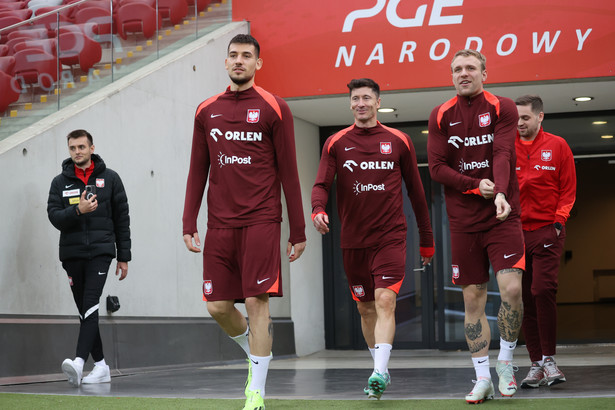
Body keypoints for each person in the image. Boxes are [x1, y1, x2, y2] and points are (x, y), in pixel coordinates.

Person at [182, 34, 306, 410]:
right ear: (225, 63)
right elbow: (196, 171)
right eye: (233, 55)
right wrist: (189, 221)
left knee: (256, 301)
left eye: (246, 56)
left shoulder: (274, 106)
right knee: (217, 306)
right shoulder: (206, 110)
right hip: (219, 224)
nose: (239, 61)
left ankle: (257, 390)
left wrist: (297, 229)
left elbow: (289, 172)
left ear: (258, 63)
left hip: (262, 220)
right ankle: (255, 353)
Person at [312, 78, 434, 400]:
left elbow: (417, 195)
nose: (361, 103)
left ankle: (378, 372)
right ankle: (380, 366)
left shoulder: (399, 141)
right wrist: (317, 210)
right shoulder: (336, 142)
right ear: (351, 103)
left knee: (384, 300)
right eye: (356, 99)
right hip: (352, 241)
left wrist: (427, 240)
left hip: (391, 237)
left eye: (367, 98)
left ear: (378, 102)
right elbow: (321, 184)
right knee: (366, 308)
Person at [427, 49, 525, 404]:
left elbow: (503, 152)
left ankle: (506, 363)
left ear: (485, 72)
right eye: (457, 69)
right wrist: (472, 184)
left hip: (502, 215)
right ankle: (482, 377)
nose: (463, 74)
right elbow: (436, 168)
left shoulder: (503, 107)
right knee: (472, 299)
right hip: (463, 220)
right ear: (451, 75)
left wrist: (499, 192)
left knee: (512, 289)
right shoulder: (440, 114)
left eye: (470, 68)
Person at [47, 129, 131, 387]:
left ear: (92, 148)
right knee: (85, 310)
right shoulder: (60, 182)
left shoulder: (111, 178)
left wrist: (123, 256)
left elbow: (122, 219)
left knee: (91, 302)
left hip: (101, 252)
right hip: (72, 254)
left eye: (81, 147)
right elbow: (55, 217)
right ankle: (102, 365)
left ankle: (80, 361)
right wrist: (78, 211)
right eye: (72, 148)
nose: (77, 152)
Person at [515, 95, 576, 388]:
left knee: (542, 290)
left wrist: (558, 222)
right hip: (515, 233)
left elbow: (568, 189)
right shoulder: (506, 147)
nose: (519, 123)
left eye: (525, 118)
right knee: (524, 298)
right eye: (516, 118)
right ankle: (536, 364)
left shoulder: (558, 145)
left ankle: (550, 359)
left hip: (547, 231)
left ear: (540, 117)